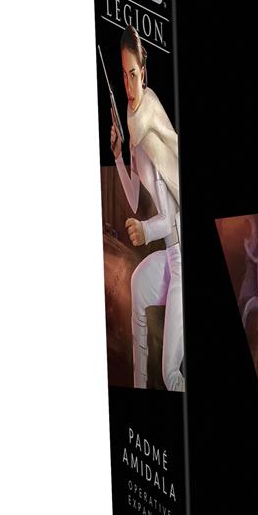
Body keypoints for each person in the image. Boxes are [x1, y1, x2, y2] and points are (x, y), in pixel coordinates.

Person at [109, 27, 184, 392]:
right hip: (170, 255)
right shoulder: (133, 123)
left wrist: (146, 230)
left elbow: (170, 219)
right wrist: (118, 156)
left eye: (133, 74)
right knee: (139, 284)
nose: (129, 84)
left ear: (144, 72)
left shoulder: (150, 125)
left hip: (182, 259)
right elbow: (136, 199)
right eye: (123, 75)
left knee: (171, 376)